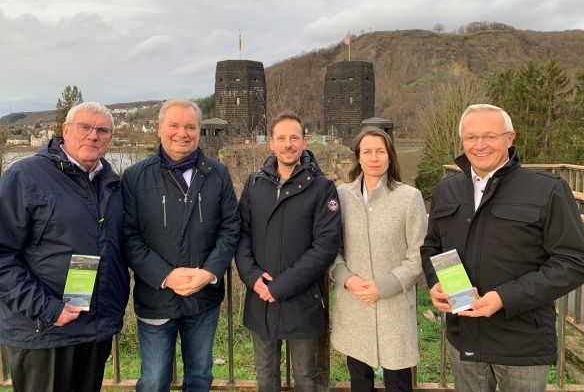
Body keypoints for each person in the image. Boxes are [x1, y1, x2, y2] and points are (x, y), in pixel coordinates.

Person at [421, 104, 584, 392]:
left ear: (510, 138)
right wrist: (437, 282)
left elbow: (575, 262)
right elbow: (432, 247)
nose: (480, 145)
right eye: (471, 137)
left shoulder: (547, 189)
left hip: (522, 342)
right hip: (464, 338)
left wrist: (505, 297)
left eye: (490, 135)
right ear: (462, 141)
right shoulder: (446, 190)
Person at [0, 102, 130, 392]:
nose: (93, 136)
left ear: (110, 138)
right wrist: (47, 308)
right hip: (43, 330)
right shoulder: (25, 176)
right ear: (66, 130)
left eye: (102, 130)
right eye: (84, 127)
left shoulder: (111, 183)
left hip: (94, 327)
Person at [121, 98, 240, 392]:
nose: (182, 133)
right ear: (159, 128)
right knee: (153, 381)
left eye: (190, 126)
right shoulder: (136, 177)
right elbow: (129, 237)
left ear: (198, 131)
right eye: (174, 125)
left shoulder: (217, 173)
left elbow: (230, 229)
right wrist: (166, 276)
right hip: (156, 298)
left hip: (204, 298)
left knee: (200, 376)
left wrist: (209, 272)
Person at [235, 110, 341, 392]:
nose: (288, 144)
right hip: (261, 299)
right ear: (271, 143)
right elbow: (241, 235)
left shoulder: (322, 188)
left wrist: (280, 287)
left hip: (302, 300)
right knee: (265, 378)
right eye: (281, 138)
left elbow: (325, 246)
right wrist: (253, 278)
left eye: (294, 137)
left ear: (304, 141)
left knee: (307, 378)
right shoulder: (254, 184)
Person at [330, 127, 427, 392]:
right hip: (355, 303)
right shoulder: (341, 197)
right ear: (358, 158)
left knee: (398, 382)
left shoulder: (409, 198)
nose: (374, 158)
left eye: (380, 151)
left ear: (390, 156)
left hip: (394, 304)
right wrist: (346, 279)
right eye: (367, 152)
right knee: (359, 381)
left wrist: (384, 287)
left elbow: (418, 252)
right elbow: (330, 249)